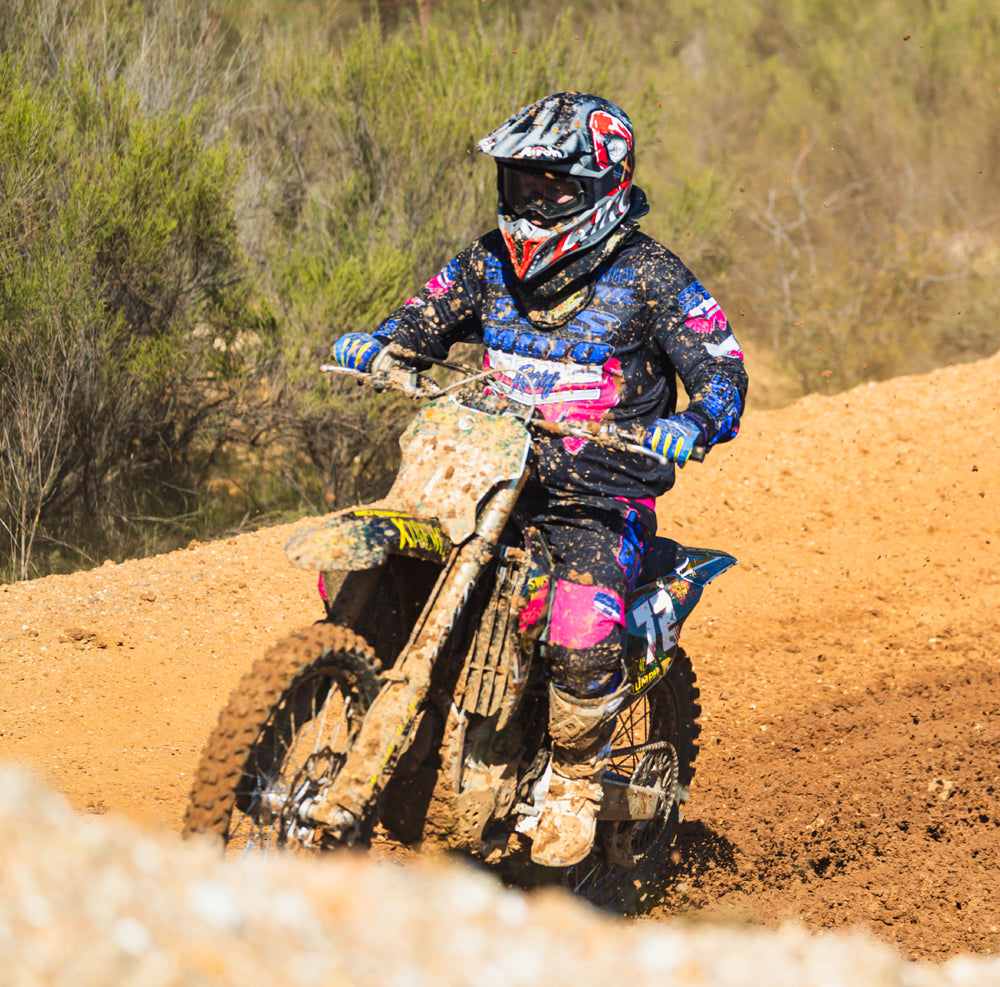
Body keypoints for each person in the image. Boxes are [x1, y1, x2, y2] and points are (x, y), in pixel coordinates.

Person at [331, 91, 748, 867]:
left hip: (597, 497)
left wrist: (694, 423)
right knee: (378, 560)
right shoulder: (490, 261)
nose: (533, 201)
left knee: (581, 628)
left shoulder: (651, 276)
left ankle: (576, 778)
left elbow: (722, 367)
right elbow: (426, 314)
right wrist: (383, 343)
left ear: (601, 187)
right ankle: (382, 711)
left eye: (553, 186)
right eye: (522, 182)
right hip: (486, 475)